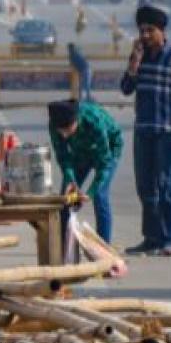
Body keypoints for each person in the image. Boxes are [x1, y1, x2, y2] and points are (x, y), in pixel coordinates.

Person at [120, 5, 171, 256]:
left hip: (167, 131)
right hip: (143, 131)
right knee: (145, 185)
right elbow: (126, 88)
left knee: (165, 184)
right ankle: (150, 238)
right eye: (142, 30)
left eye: (150, 30)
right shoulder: (139, 57)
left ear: (162, 31)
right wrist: (134, 61)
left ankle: (168, 240)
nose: (145, 35)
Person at [47, 99, 123, 244]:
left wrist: (90, 193)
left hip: (108, 147)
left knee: (100, 196)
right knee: (68, 197)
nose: (64, 135)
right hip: (80, 151)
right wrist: (70, 179)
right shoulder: (54, 125)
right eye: (60, 131)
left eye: (68, 130)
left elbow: (104, 164)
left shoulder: (94, 122)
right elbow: (63, 156)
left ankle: (103, 245)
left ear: (77, 120)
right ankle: (63, 245)